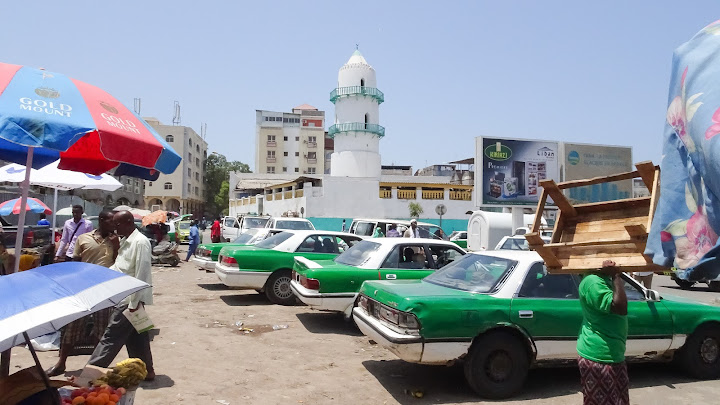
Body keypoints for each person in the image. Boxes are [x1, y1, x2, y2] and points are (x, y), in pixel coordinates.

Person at [47, 210, 119, 377]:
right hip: (84, 289)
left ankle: (94, 367)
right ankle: (61, 363)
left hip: (105, 289)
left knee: (101, 330)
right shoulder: (84, 238)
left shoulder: (117, 240)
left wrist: (116, 247)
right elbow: (76, 262)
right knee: (72, 327)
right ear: (102, 220)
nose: (114, 225)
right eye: (111, 221)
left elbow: (119, 262)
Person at [87, 210, 155, 381]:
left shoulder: (140, 243)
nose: (114, 228)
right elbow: (120, 268)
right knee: (137, 339)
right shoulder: (126, 241)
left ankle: (88, 375)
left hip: (129, 300)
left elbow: (142, 274)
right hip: (125, 297)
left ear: (128, 222)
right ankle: (148, 371)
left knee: (109, 339)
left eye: (117, 224)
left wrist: (134, 304)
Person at [577, 259, 629, 405]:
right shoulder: (593, 281)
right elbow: (619, 306)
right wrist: (616, 276)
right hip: (599, 356)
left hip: (611, 353)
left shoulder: (601, 277)